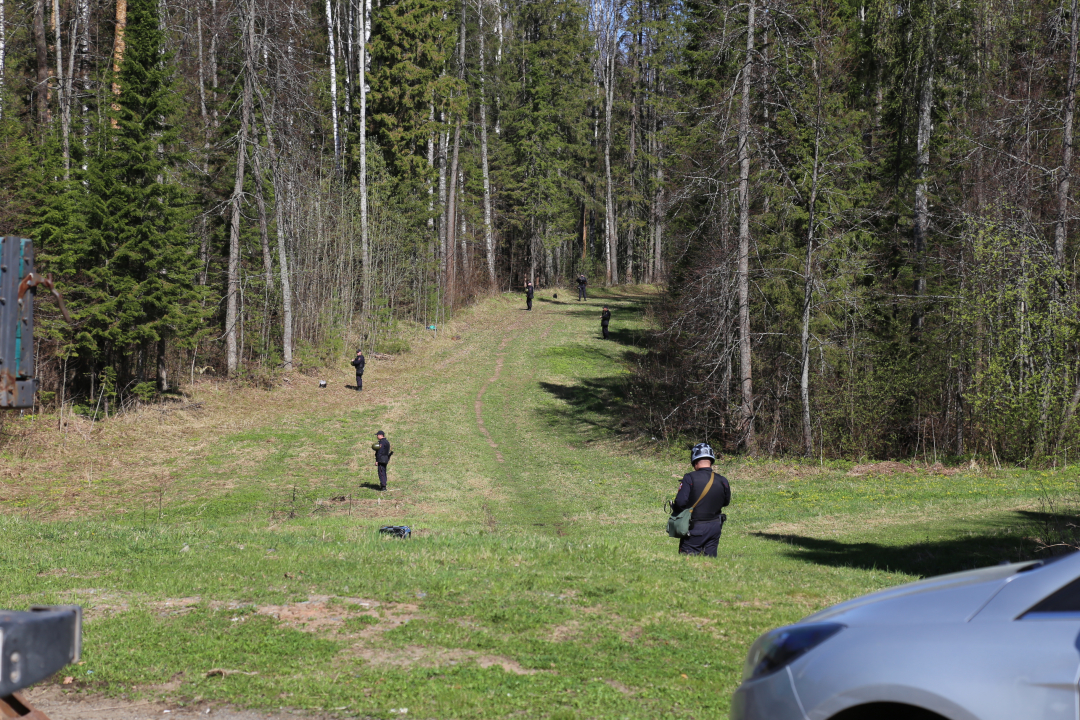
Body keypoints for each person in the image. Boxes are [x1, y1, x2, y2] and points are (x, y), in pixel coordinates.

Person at [670, 443, 730, 557]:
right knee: (709, 562)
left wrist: (676, 508)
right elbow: (726, 502)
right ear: (711, 460)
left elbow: (681, 502)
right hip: (715, 527)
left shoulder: (689, 478)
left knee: (687, 562)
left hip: (695, 528)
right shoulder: (722, 480)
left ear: (694, 461)